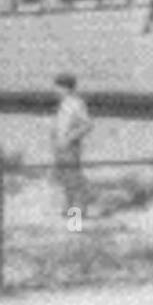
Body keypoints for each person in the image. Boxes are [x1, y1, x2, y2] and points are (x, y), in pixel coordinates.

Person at [51, 72, 92, 216]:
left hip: (70, 147)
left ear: (66, 88)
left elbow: (87, 124)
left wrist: (70, 138)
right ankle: (67, 210)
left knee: (74, 180)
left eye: (58, 87)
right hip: (60, 147)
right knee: (65, 179)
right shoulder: (63, 104)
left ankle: (76, 219)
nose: (55, 91)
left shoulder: (76, 103)